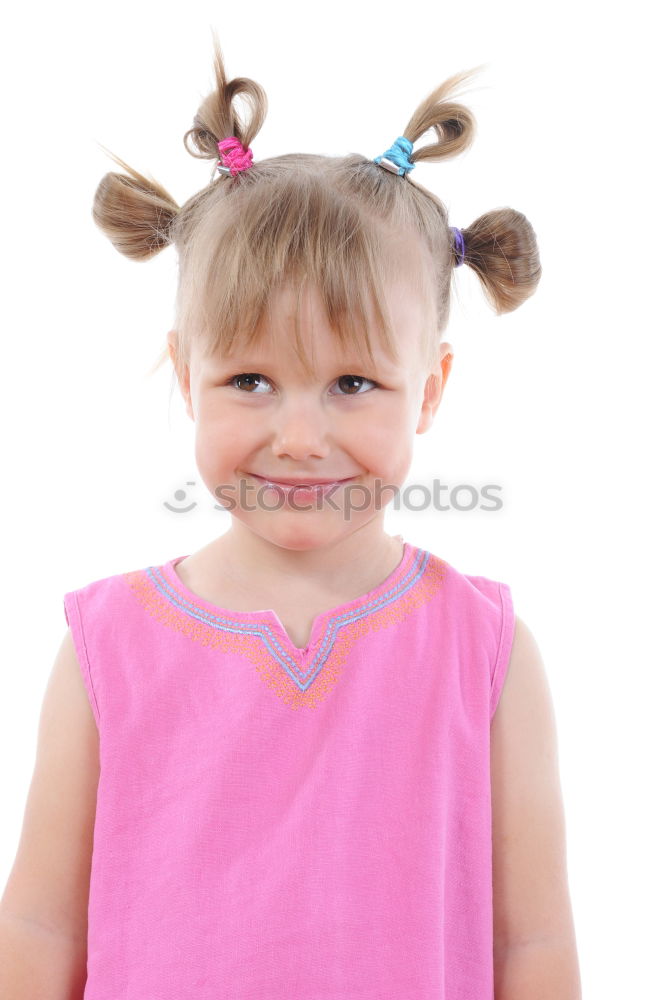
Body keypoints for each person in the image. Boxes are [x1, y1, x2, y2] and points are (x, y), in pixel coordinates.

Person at [0, 32, 582, 1000]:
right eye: (252, 379)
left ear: (429, 389)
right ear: (189, 375)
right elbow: (40, 921)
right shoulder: (110, 642)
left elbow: (533, 943)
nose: (301, 436)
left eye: (352, 381)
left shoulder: (485, 647)